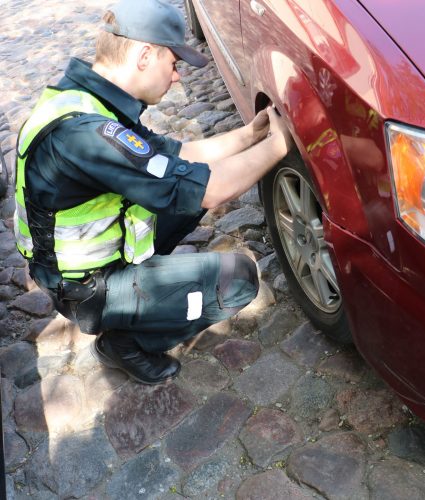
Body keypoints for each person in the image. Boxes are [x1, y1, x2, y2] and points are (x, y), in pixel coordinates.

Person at [14, 0, 293, 384]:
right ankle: (124, 342)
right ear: (145, 55)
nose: (177, 77)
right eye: (174, 63)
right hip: (84, 288)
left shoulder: (87, 102)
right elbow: (210, 190)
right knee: (239, 278)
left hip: (78, 266)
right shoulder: (86, 135)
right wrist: (278, 147)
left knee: (184, 189)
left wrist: (251, 135)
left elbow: (178, 156)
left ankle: (133, 306)